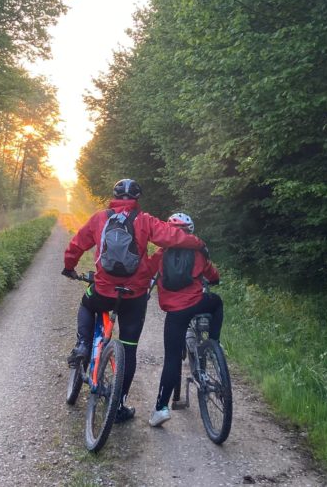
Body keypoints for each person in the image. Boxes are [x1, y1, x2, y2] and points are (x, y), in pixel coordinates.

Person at [62, 179, 206, 423]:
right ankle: (118, 406)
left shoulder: (100, 218)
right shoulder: (145, 220)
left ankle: (83, 344)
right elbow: (172, 237)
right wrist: (198, 243)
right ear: (137, 198)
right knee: (129, 349)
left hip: (104, 290)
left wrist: (69, 266)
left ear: (114, 196)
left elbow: (77, 243)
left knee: (87, 303)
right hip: (134, 296)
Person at [147, 211, 223, 427]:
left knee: (171, 359)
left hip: (176, 312)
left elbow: (146, 273)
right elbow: (212, 275)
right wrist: (214, 280)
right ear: (190, 232)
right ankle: (214, 344)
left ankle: (161, 409)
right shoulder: (199, 253)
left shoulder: (160, 255)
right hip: (198, 303)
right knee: (217, 302)